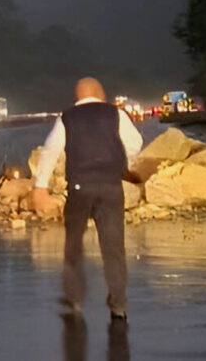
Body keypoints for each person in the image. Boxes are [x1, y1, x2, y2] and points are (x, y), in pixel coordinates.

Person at [32, 77, 143, 321]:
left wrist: (40, 187)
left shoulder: (67, 118)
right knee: (113, 248)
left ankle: (74, 299)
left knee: (74, 243)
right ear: (100, 93)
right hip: (110, 186)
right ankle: (118, 304)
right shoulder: (116, 114)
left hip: (79, 187)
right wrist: (121, 164)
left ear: (78, 95)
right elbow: (135, 143)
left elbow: (50, 151)